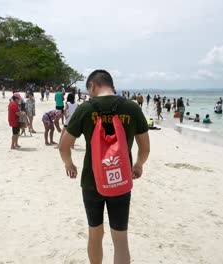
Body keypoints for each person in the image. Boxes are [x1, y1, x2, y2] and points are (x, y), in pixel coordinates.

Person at [58, 70, 150, 264]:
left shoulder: (85, 109)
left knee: (95, 232)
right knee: (120, 239)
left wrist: (69, 163)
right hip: (121, 180)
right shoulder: (132, 108)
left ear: (92, 85)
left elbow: (64, 146)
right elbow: (145, 148)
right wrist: (139, 165)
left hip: (92, 182)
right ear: (111, 85)